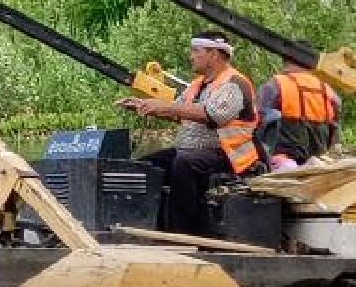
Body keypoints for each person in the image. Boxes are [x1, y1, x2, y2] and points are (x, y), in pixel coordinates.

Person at [118, 31, 260, 235]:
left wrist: (163, 107)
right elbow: (178, 112)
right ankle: (143, 224)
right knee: (145, 166)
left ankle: (183, 233)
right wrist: (144, 105)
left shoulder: (235, 84)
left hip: (228, 154)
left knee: (184, 164)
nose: (191, 56)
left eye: (196, 51)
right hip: (192, 151)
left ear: (214, 54)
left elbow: (213, 115)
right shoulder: (197, 85)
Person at [256, 66, 341, 171]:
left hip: (283, 161)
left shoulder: (276, 84)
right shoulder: (328, 90)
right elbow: (335, 132)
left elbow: (258, 122)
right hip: (318, 161)